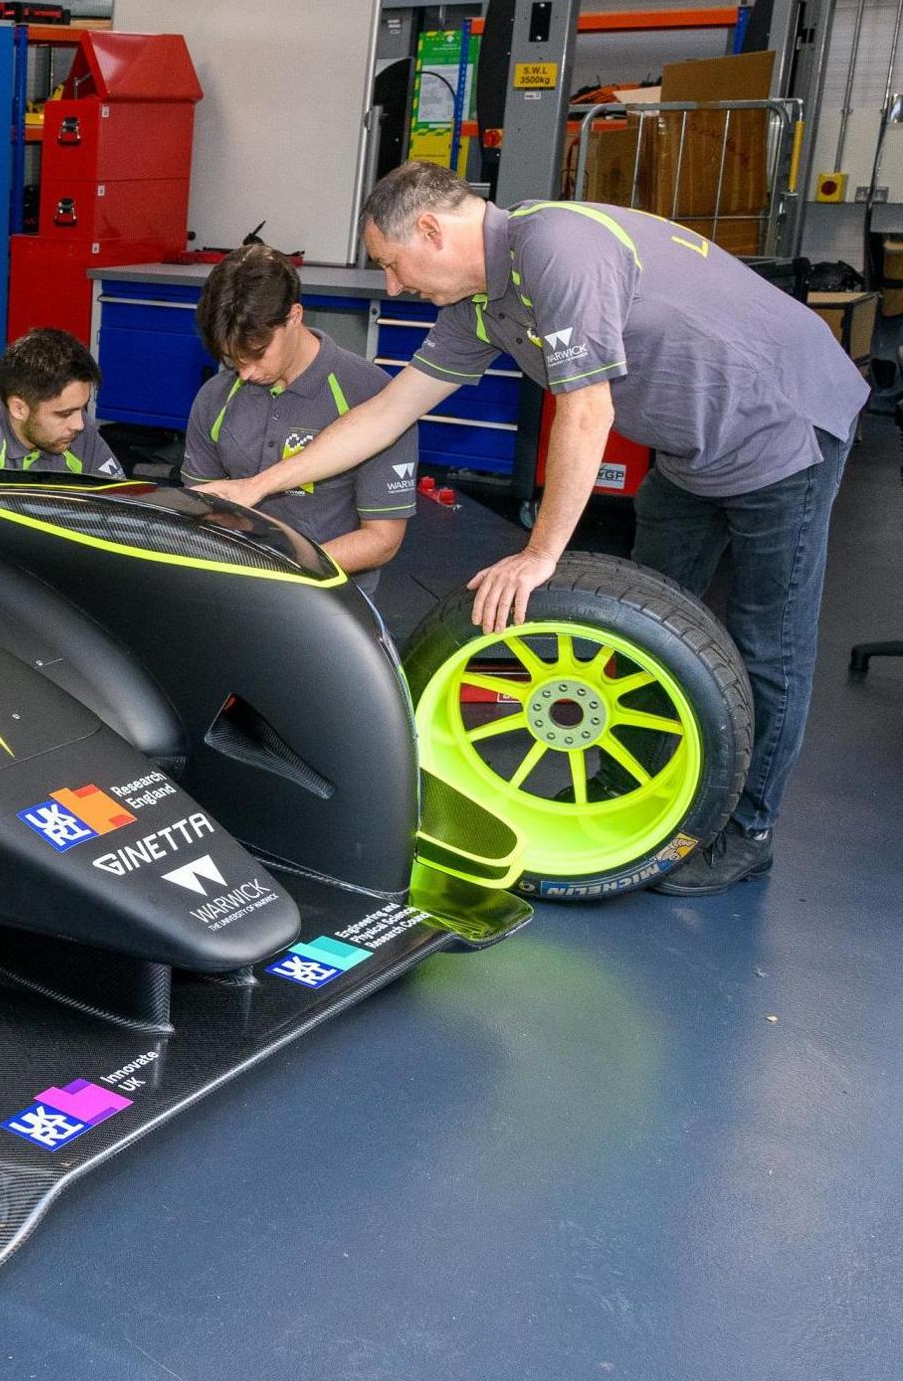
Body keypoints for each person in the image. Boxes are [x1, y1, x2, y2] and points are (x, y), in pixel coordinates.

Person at [202, 162, 863, 894]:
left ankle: (749, 833)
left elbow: (586, 410)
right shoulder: (482, 304)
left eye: (392, 266)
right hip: (690, 446)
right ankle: (631, 787)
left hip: (785, 427)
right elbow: (388, 413)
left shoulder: (557, 249)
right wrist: (259, 485)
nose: (393, 288)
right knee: (648, 625)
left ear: (431, 229)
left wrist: (540, 553)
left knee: (768, 642)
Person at [182, 243, 418, 593]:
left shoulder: (372, 396)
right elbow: (199, 510)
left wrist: (284, 569)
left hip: (329, 596)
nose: (245, 373)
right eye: (233, 359)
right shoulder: (216, 396)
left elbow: (382, 540)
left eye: (257, 354)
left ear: (294, 317)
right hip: (238, 586)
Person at [0, 328, 123, 476]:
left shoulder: (77, 430)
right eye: (64, 414)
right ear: (19, 408)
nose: (79, 424)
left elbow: (119, 504)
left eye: (82, 408)